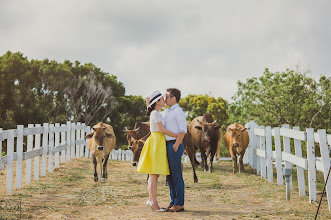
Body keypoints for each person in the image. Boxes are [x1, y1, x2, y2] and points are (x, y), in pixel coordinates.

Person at [146, 88, 187, 212]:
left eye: (167, 97)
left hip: (174, 145)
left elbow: (183, 130)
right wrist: (149, 105)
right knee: (169, 176)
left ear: (173, 98)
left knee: (176, 175)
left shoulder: (178, 112)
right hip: (165, 145)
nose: (165, 98)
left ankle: (179, 203)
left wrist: (176, 144)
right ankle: (173, 201)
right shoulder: (166, 112)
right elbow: (154, 114)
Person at [137, 90, 178, 212]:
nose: (164, 100)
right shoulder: (155, 113)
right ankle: (154, 204)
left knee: (154, 174)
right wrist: (178, 135)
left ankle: (151, 199)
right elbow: (162, 129)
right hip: (156, 141)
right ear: (158, 101)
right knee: (154, 174)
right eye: (162, 99)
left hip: (158, 141)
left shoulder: (157, 113)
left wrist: (148, 105)